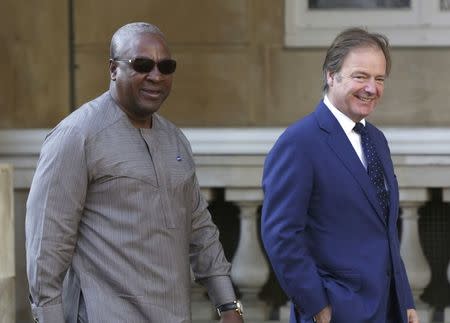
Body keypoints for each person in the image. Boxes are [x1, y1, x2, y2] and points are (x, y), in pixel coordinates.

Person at [25, 22, 244, 323]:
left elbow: (200, 229)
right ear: (113, 69)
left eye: (166, 67)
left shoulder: (175, 139)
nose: (156, 76)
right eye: (142, 65)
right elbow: (46, 246)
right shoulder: (77, 136)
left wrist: (227, 304)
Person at [261, 27, 419, 323]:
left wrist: (405, 301)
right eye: (361, 76)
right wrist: (317, 306)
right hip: (336, 311)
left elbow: (384, 232)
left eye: (379, 79)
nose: (371, 88)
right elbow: (281, 235)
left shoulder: (376, 140)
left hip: (387, 310)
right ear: (331, 76)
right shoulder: (299, 142)